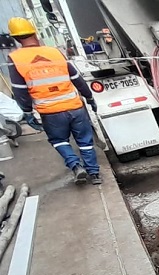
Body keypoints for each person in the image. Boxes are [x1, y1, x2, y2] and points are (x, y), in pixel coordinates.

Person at [6, 17, 101, 185]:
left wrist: (27, 112)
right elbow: (76, 78)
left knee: (59, 141)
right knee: (85, 141)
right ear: (34, 32)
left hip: (50, 112)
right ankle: (95, 175)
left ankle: (75, 166)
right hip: (75, 107)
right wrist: (89, 97)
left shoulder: (15, 58)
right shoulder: (54, 52)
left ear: (15, 38)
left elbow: (20, 90)